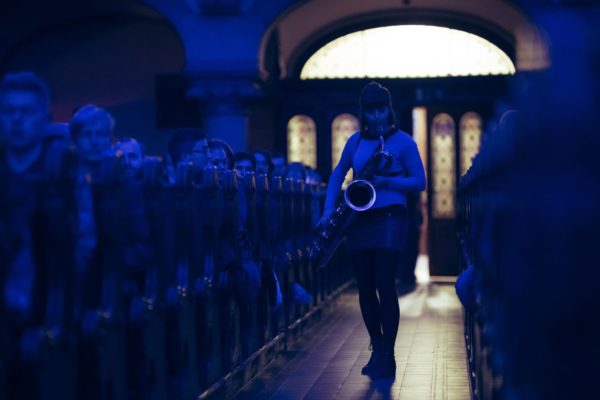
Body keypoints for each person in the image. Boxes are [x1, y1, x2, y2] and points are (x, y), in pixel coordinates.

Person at [321, 81, 426, 380]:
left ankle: (389, 355)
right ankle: (377, 347)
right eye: (371, 111)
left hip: (391, 215)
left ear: (388, 109)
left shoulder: (404, 142)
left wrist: (388, 182)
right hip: (360, 218)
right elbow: (337, 174)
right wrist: (329, 210)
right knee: (365, 286)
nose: (377, 116)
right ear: (363, 112)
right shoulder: (355, 142)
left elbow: (419, 181)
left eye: (381, 110)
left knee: (384, 281)